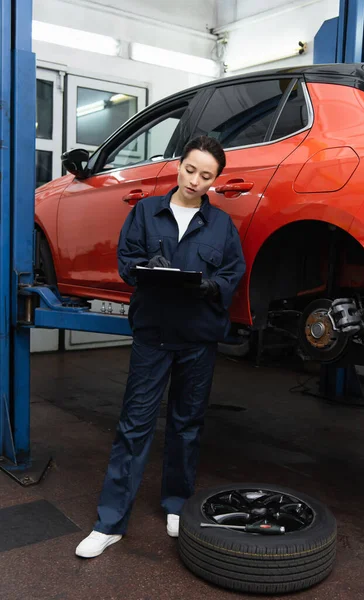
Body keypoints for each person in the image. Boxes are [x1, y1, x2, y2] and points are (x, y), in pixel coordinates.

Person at [75, 135, 246, 558]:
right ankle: (110, 523)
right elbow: (126, 259)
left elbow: (233, 271)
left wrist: (210, 285)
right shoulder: (146, 212)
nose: (195, 181)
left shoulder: (222, 225)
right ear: (179, 166)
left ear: (215, 180)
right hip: (153, 334)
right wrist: (147, 270)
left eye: (206, 176)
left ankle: (177, 503)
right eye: (191, 170)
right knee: (134, 426)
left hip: (198, 339)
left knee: (187, 425)